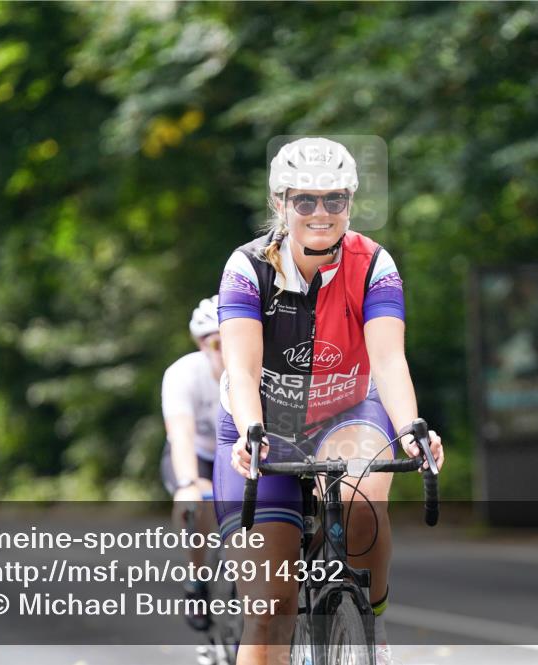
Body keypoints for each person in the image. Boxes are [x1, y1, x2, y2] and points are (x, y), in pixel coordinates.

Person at [214, 137, 444, 665]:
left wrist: (411, 426)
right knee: (272, 607)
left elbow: (388, 362)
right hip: (264, 425)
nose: (321, 213)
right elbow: (243, 370)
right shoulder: (247, 268)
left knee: (365, 498)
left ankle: (372, 623)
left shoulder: (374, 264)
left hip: (345, 412)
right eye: (305, 201)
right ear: (280, 204)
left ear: (350, 203)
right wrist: (252, 432)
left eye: (334, 200)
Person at [160, 296, 225, 631]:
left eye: (232, 337)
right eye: (215, 342)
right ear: (201, 343)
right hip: (197, 455)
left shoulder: (257, 369)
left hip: (237, 454)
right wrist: (188, 482)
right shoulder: (182, 374)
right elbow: (181, 434)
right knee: (194, 503)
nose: (224, 349)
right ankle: (196, 580)